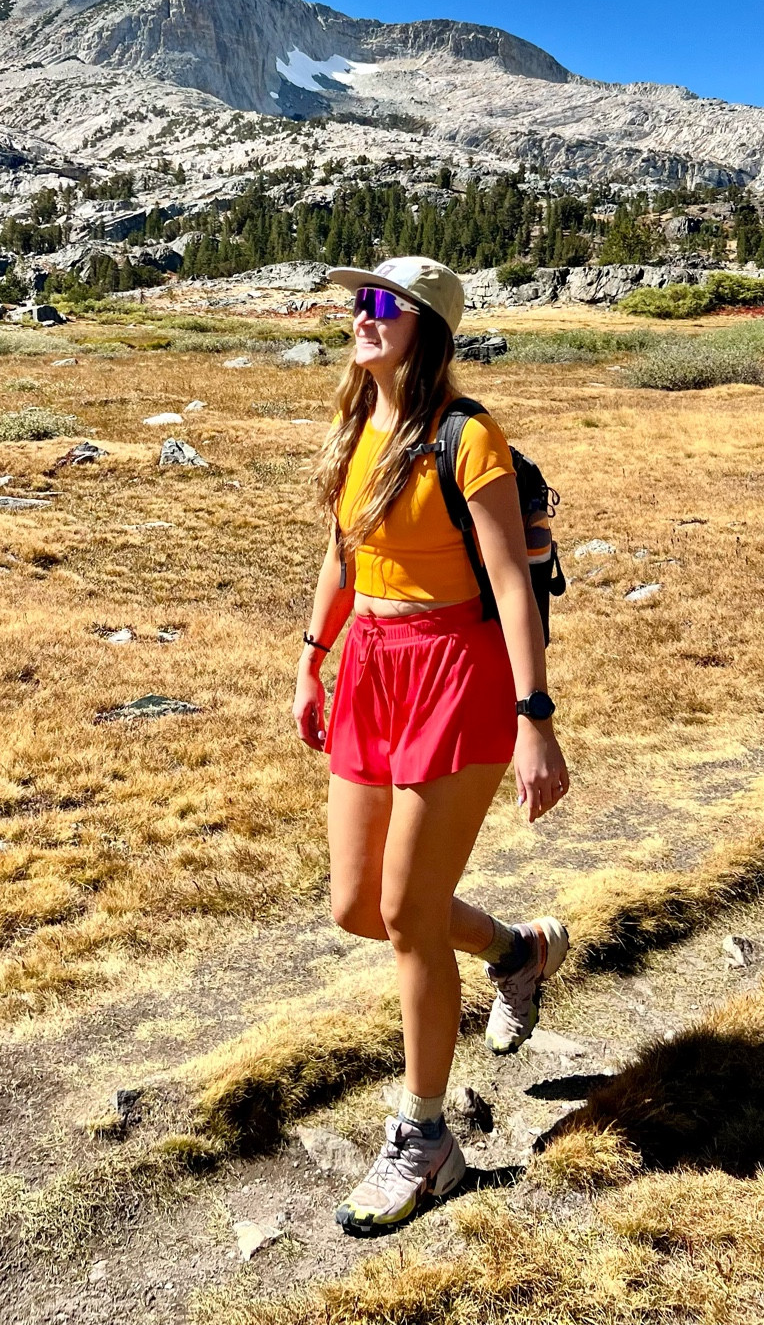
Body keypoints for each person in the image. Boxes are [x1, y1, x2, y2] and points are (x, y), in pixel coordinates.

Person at [292, 255, 572, 1237]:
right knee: (359, 904)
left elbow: (508, 582)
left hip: (457, 675)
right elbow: (343, 550)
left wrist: (535, 718)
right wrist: (312, 658)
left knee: (408, 911)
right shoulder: (354, 424)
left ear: (427, 329)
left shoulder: (469, 438)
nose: (359, 316)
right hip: (370, 663)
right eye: (357, 301)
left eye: (381, 305)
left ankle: (424, 1138)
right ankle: (518, 949)